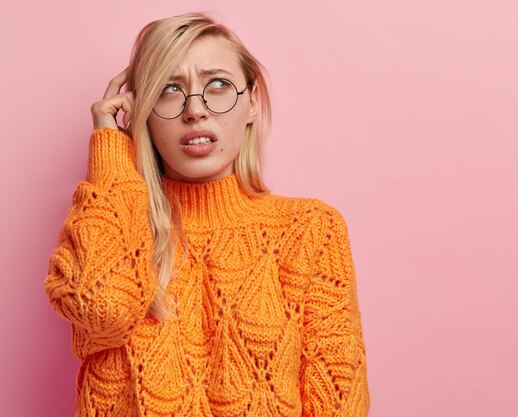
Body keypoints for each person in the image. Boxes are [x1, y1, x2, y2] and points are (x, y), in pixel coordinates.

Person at [45, 12, 369, 417]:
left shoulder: (310, 230)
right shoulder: (117, 228)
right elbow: (101, 309)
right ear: (141, 112)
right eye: (168, 89)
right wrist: (111, 148)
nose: (194, 109)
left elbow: (340, 404)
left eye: (218, 85)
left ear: (251, 101)